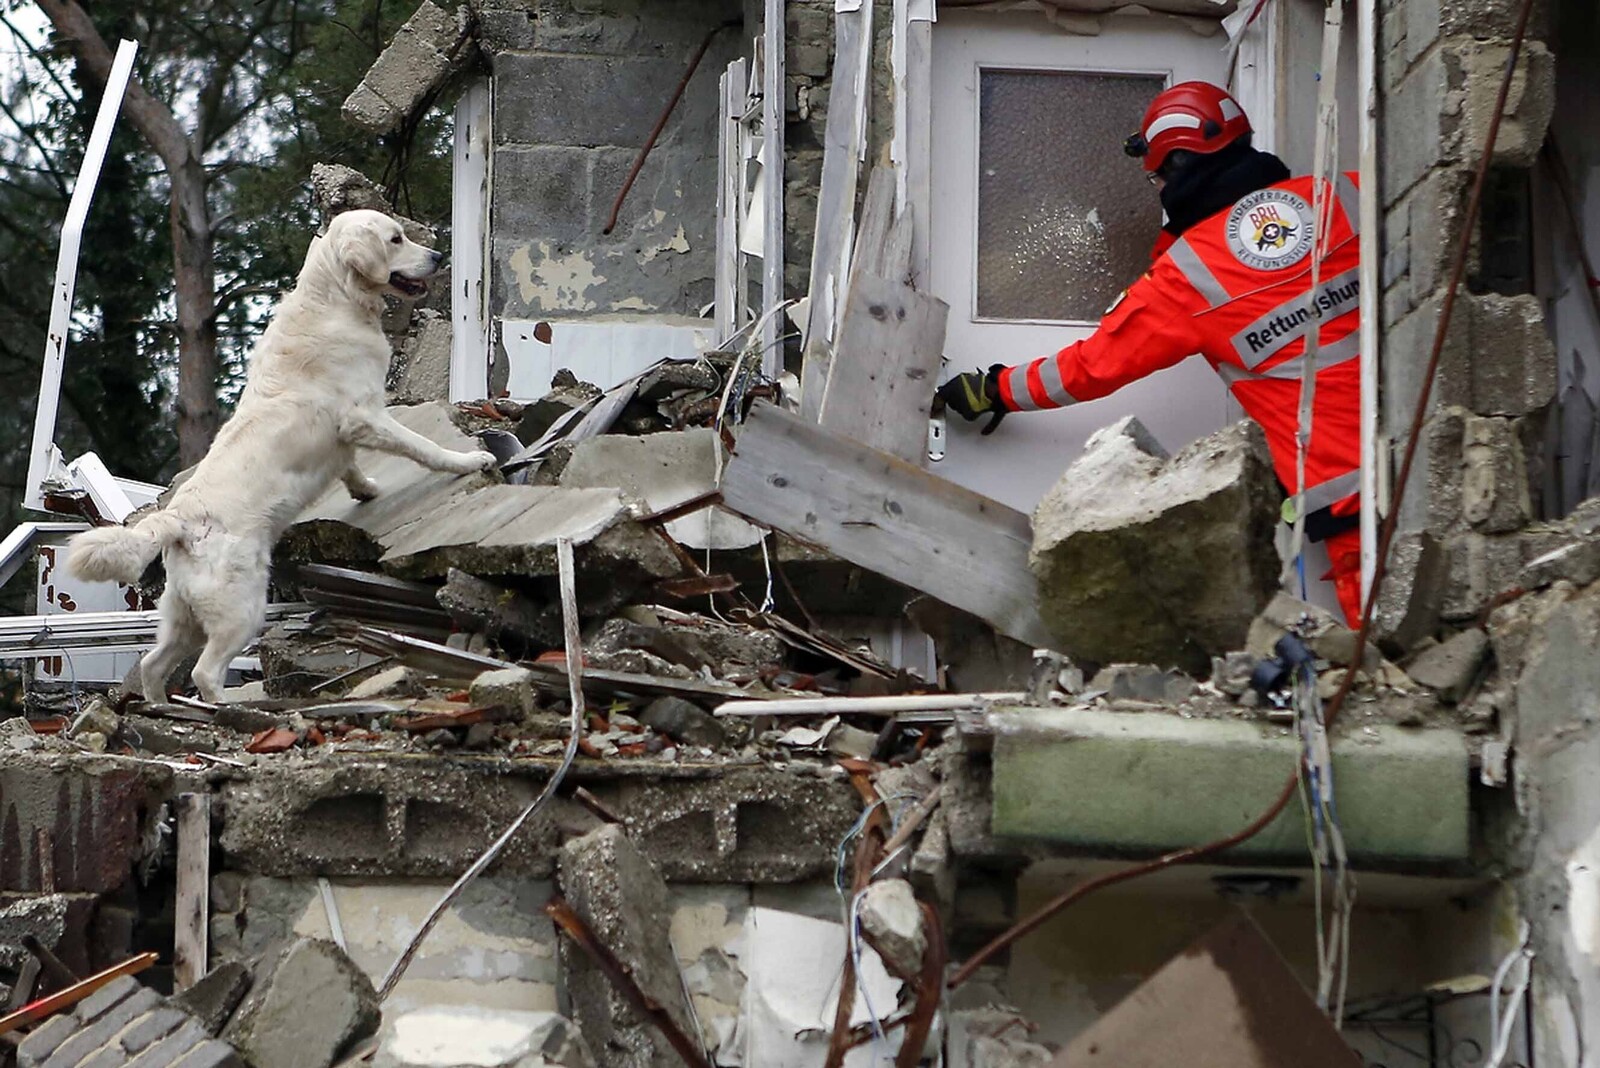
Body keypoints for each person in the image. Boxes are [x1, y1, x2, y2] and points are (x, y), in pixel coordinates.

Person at [936, 81, 1364, 624]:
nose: (1157, 187)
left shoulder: (1190, 274)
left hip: (1349, 495)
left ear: (1182, 162)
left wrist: (993, 388)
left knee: (1393, 672)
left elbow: (1089, 368)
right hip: (1434, 451)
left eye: (1159, 174)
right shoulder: (1344, 196)